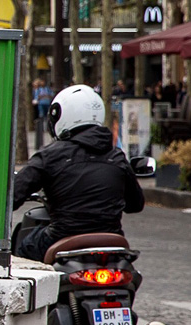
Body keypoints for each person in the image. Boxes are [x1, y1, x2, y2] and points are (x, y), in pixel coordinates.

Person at [10, 84, 144, 262]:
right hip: (110, 240)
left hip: (61, 237)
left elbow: (12, 196)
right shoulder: (116, 156)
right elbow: (135, 204)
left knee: (23, 249)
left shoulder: (50, 155)